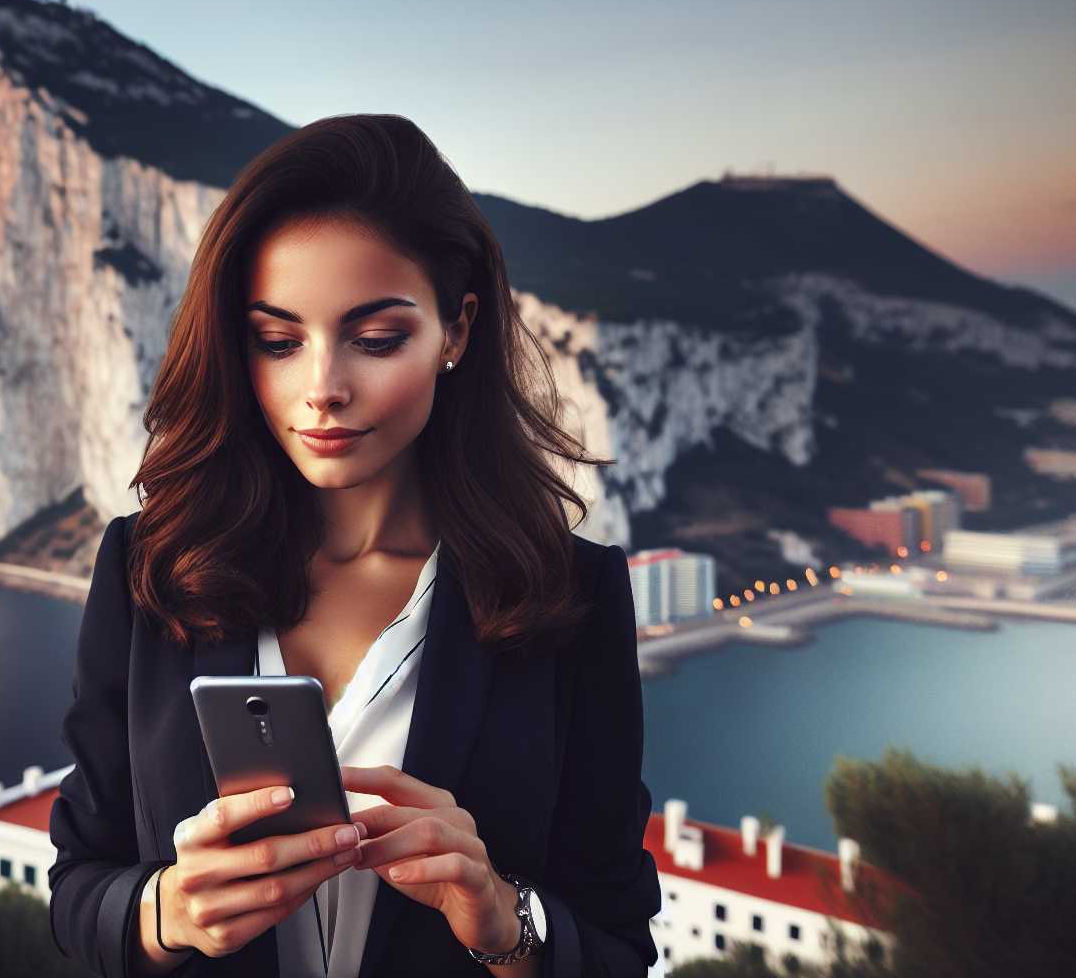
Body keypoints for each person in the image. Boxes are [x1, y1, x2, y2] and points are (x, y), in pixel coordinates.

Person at [48, 113, 661, 977]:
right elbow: (79, 887)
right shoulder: (144, 571)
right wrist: (164, 913)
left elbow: (619, 946)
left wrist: (505, 919)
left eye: (376, 340)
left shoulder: (575, 598)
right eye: (277, 341)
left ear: (456, 330)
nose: (323, 388)